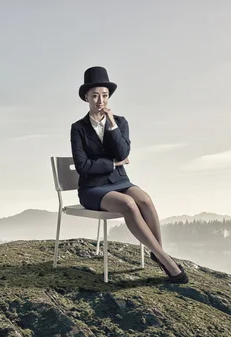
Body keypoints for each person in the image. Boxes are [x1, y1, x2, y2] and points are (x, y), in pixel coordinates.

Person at [70, 66, 188, 284]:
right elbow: (83, 166)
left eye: (104, 96)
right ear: (86, 97)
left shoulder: (121, 122)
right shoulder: (78, 128)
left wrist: (112, 125)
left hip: (120, 181)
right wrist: (113, 163)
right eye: (95, 95)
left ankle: (157, 253)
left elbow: (124, 152)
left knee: (144, 199)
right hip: (92, 189)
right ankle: (166, 260)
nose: (100, 101)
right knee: (128, 204)